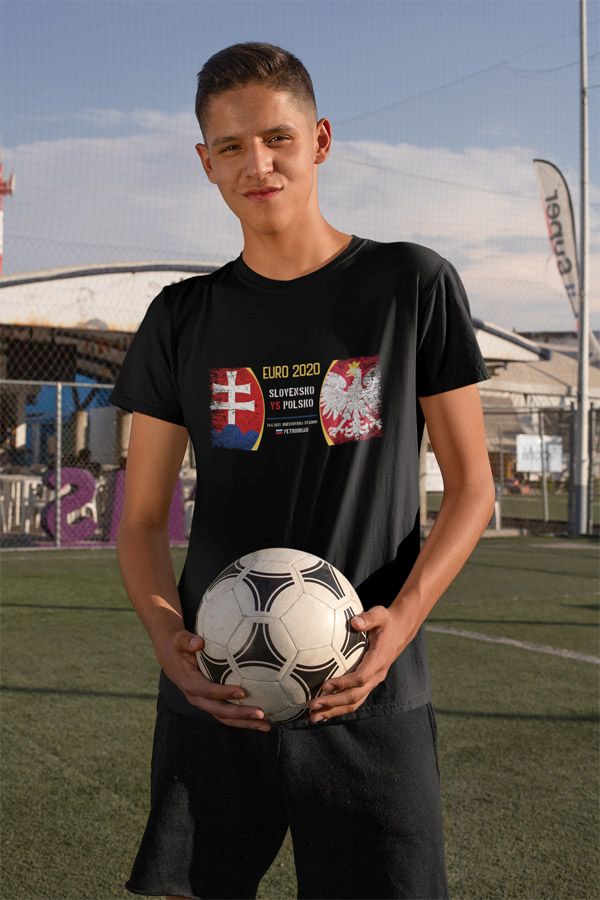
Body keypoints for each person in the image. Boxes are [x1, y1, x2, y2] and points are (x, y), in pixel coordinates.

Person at [109, 41, 495, 900]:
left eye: (277, 138)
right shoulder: (180, 317)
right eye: (232, 146)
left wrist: (402, 624)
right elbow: (140, 519)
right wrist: (169, 643)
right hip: (216, 687)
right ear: (205, 161)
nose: (258, 164)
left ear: (319, 140)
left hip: (368, 687)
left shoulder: (410, 285)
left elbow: (473, 487)